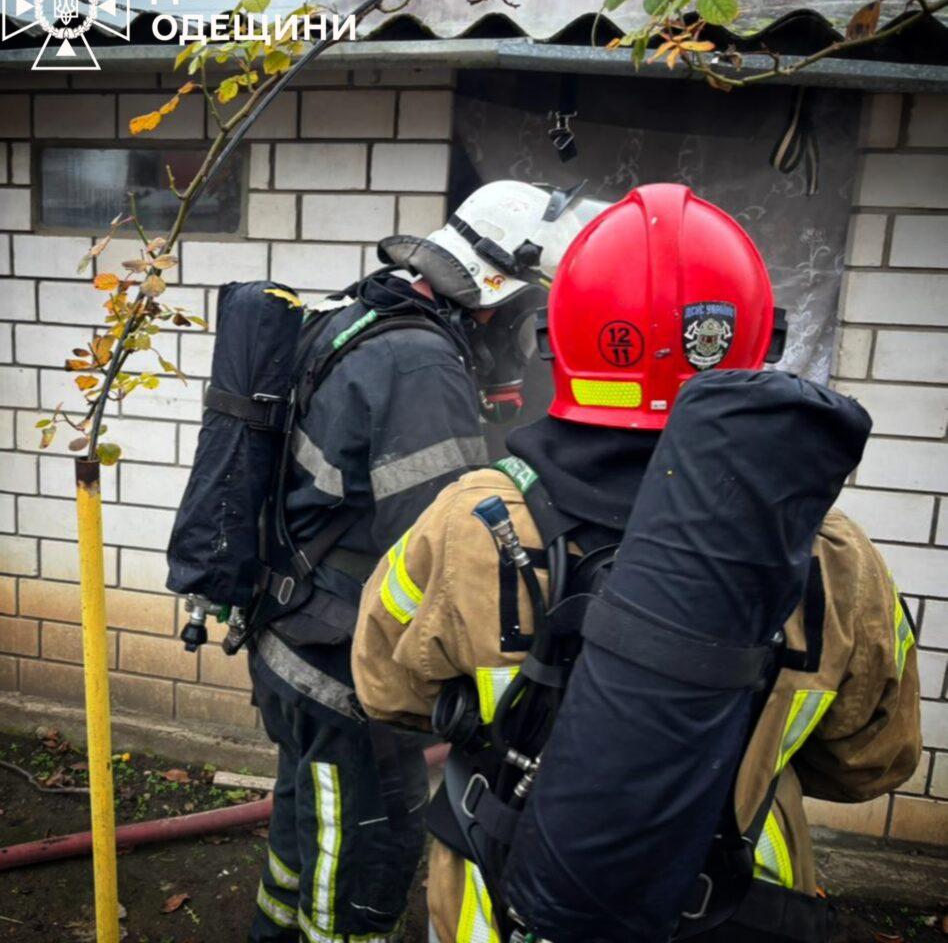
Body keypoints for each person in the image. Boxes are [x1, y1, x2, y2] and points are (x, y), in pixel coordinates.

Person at [351, 184, 922, 943]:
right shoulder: (833, 553)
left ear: (560, 343)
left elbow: (386, 690)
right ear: (754, 346)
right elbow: (872, 763)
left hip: (503, 904)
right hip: (740, 912)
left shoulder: (471, 518)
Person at [247, 179, 606, 943]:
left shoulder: (367, 314)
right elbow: (446, 553)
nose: (531, 332)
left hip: (290, 632)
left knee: (304, 831)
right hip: (340, 671)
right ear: (497, 293)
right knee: (365, 857)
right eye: (531, 311)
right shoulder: (423, 366)